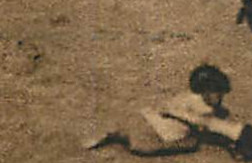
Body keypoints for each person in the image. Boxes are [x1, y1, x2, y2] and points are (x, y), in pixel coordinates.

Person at [83, 64, 242, 155]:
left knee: (188, 141)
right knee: (190, 143)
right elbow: (205, 123)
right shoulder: (200, 106)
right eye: (218, 93)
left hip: (149, 126)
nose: (221, 98)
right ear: (206, 91)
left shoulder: (188, 98)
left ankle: (113, 134)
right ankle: (114, 134)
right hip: (153, 133)